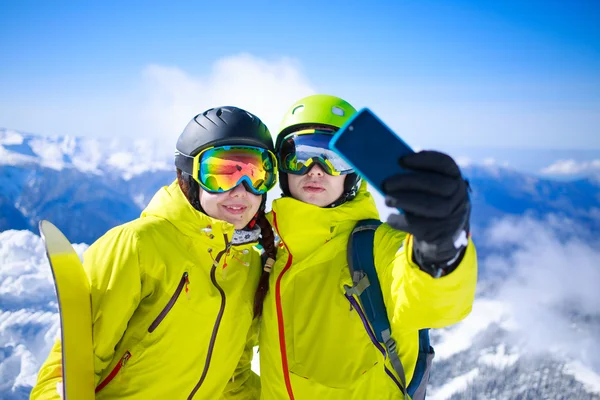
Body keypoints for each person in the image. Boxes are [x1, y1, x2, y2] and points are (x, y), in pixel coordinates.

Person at [31, 106, 278, 399]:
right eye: (222, 174)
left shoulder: (249, 265)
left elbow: (232, 377)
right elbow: (67, 369)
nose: (241, 190)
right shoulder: (136, 246)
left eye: (256, 174)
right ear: (189, 177)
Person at [254, 95, 478, 399]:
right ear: (281, 167)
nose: (315, 170)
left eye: (332, 157)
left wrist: (439, 251)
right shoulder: (265, 247)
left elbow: (430, 302)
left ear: (353, 174)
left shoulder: (375, 246)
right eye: (300, 155)